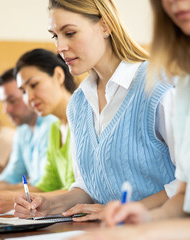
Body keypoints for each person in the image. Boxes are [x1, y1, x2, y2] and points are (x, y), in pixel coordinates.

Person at [73, 0, 190, 239]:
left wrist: (148, 232)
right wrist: (146, 218)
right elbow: (187, 197)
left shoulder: (159, 86)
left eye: (70, 33)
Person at [14, 0, 177, 222]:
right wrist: (50, 204)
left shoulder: (158, 85)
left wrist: (126, 209)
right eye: (55, 35)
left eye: (69, 33)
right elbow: (88, 187)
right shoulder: (79, 103)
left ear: (105, 26)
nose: (59, 46)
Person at [0, 68, 57, 213]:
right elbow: (12, 174)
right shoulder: (22, 130)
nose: (6, 110)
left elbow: (46, 184)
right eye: (3, 103)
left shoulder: (51, 124)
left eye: (12, 101)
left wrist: (7, 195)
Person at [15, 48, 76, 192]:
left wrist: (10, 198)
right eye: (23, 91)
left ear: (59, 76)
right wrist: (1, 196)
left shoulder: (83, 120)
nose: (28, 98)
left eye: (34, 85)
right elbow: (47, 185)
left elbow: (79, 192)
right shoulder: (56, 128)